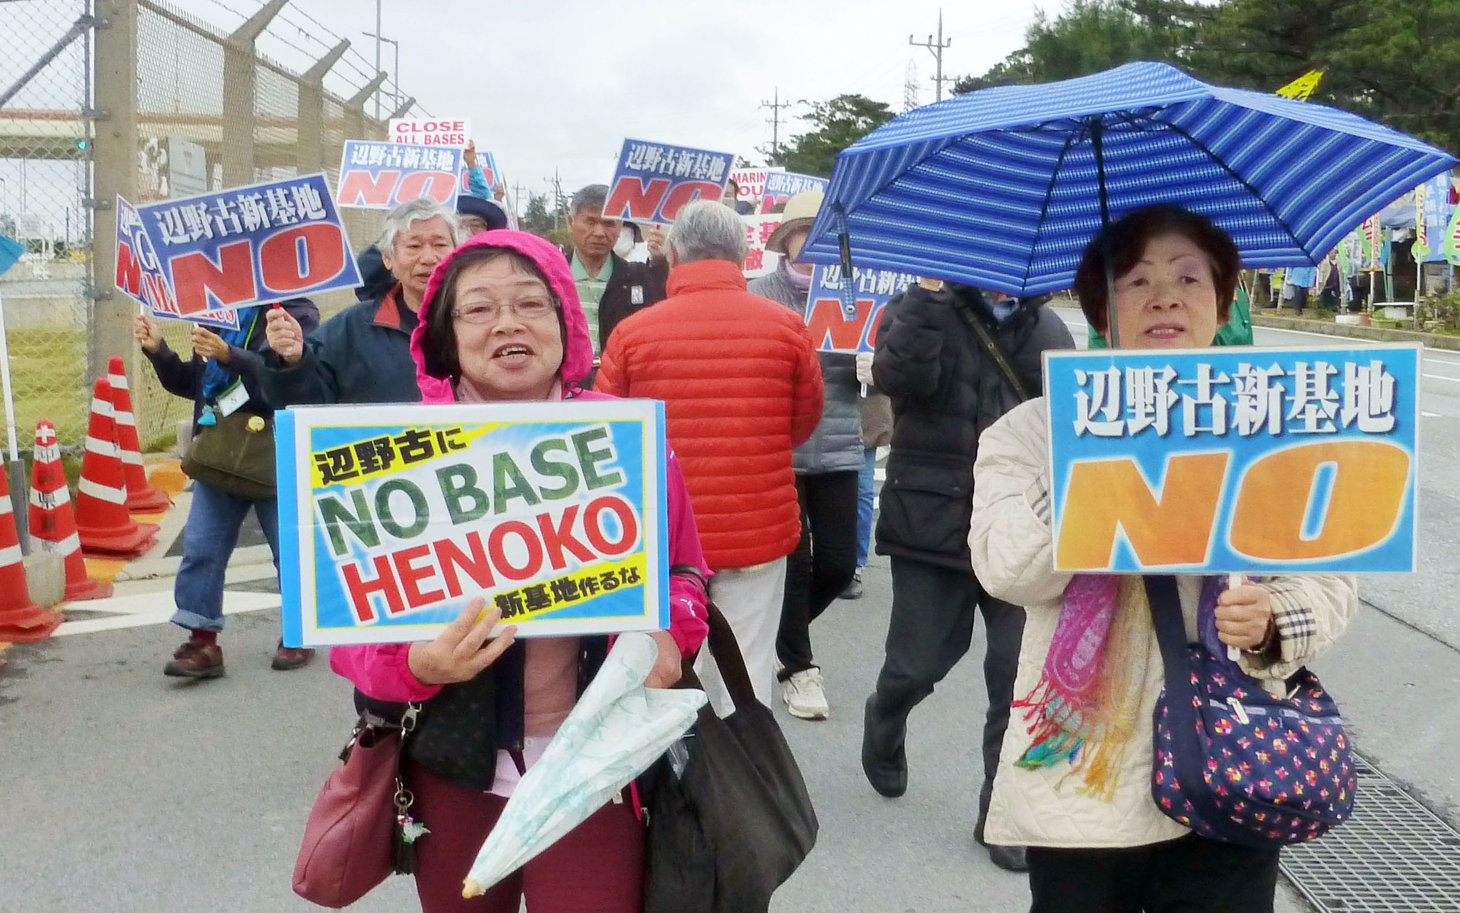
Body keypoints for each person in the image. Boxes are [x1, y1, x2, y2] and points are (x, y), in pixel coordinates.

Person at [969, 204, 1358, 913]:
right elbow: (1008, 570)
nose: (1166, 296)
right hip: (1086, 766)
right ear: (1098, 307)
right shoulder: (1027, 433)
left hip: (1236, 753)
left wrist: (1275, 615)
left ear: (1221, 300)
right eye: (1137, 279)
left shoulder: (1270, 422)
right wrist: (1093, 451)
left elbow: (1329, 573)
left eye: (1189, 277)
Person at [330, 229, 711, 913]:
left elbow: (684, 573)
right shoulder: (396, 453)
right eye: (478, 309)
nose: (508, 321)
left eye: (531, 303)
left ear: (565, 323)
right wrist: (418, 661)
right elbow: (350, 630)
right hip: (452, 764)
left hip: (599, 761)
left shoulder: (627, 439)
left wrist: (669, 639)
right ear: (445, 335)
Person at [862, 280, 1072, 874]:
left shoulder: (1050, 332)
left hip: (1021, 530)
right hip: (934, 521)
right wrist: (927, 301)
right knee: (918, 664)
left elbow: (1065, 429)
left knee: (1016, 675)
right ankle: (886, 714)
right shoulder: (916, 310)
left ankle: (1000, 812)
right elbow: (898, 380)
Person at [595, 200, 823, 711]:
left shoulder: (631, 334)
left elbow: (607, 435)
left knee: (660, 664)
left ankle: (671, 779)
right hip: (756, 526)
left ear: (673, 253)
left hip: (660, 535)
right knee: (746, 666)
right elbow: (802, 423)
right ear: (742, 255)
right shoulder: (786, 326)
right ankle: (743, 777)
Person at [135, 301, 320, 677]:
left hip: (276, 445)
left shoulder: (297, 311)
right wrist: (159, 352)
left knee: (291, 549)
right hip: (219, 447)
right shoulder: (218, 311)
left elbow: (288, 378)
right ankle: (202, 639)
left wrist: (229, 354)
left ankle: (299, 633)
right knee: (202, 547)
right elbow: (197, 383)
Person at [747, 190, 859, 721]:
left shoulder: (858, 295)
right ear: (785, 240)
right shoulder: (759, 294)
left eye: (820, 234)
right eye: (801, 233)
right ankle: (798, 667)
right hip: (780, 446)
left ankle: (777, 638)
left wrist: (875, 364)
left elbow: (890, 377)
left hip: (839, 441)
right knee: (795, 563)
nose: (810, 244)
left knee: (838, 564)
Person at [259, 198, 459, 405]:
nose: (428, 257)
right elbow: (304, 405)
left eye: (440, 244)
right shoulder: (349, 329)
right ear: (388, 258)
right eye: (414, 246)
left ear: (457, 252)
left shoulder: (483, 320)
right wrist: (292, 362)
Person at [560, 184, 669, 357]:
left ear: (620, 227)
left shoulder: (640, 278)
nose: (599, 233)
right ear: (571, 223)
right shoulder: (550, 279)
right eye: (590, 222)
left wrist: (661, 263)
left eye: (609, 223)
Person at [841, 355, 892, 600]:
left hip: (867, 401)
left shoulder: (879, 316)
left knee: (861, 490)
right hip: (822, 395)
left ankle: (855, 567)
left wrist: (880, 367)